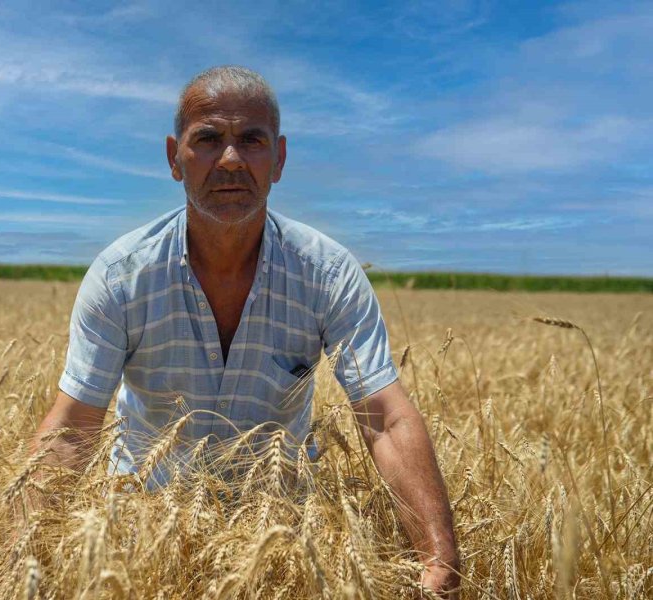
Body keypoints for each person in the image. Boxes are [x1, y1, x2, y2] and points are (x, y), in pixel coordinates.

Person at [32, 66, 460, 596]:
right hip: (147, 536)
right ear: (174, 158)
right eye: (208, 139)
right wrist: (23, 561)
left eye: (251, 141)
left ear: (278, 159)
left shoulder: (327, 274)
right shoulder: (122, 276)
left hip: (283, 537)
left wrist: (439, 562)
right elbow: (75, 428)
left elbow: (385, 419)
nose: (230, 160)